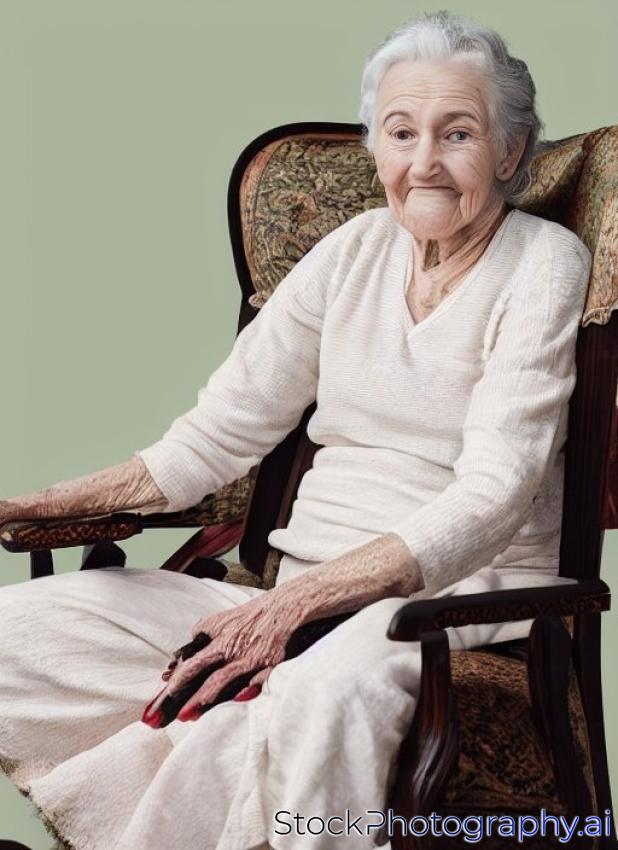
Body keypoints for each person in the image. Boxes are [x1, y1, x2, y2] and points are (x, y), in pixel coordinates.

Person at [0, 9, 592, 850]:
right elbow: (209, 442)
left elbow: (495, 495)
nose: (423, 162)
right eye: (400, 132)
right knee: (14, 634)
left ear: (508, 151)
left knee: (319, 697)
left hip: (447, 603)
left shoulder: (542, 262)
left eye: (457, 132)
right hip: (293, 589)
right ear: (375, 148)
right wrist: (27, 503)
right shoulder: (350, 249)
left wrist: (296, 611)